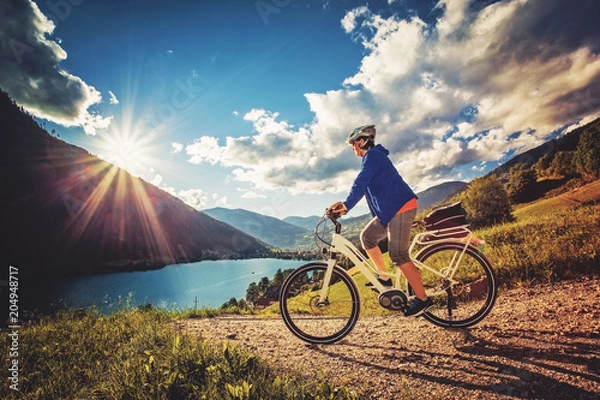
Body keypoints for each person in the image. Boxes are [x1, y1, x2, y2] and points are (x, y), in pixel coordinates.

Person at [328, 125, 433, 317]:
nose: (353, 149)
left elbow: (360, 183)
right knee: (367, 237)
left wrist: (346, 205)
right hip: (389, 212)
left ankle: (423, 298)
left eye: (353, 144)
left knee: (398, 255)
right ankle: (384, 278)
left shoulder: (373, 156)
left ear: (361, 141)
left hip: (401, 207)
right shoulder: (372, 158)